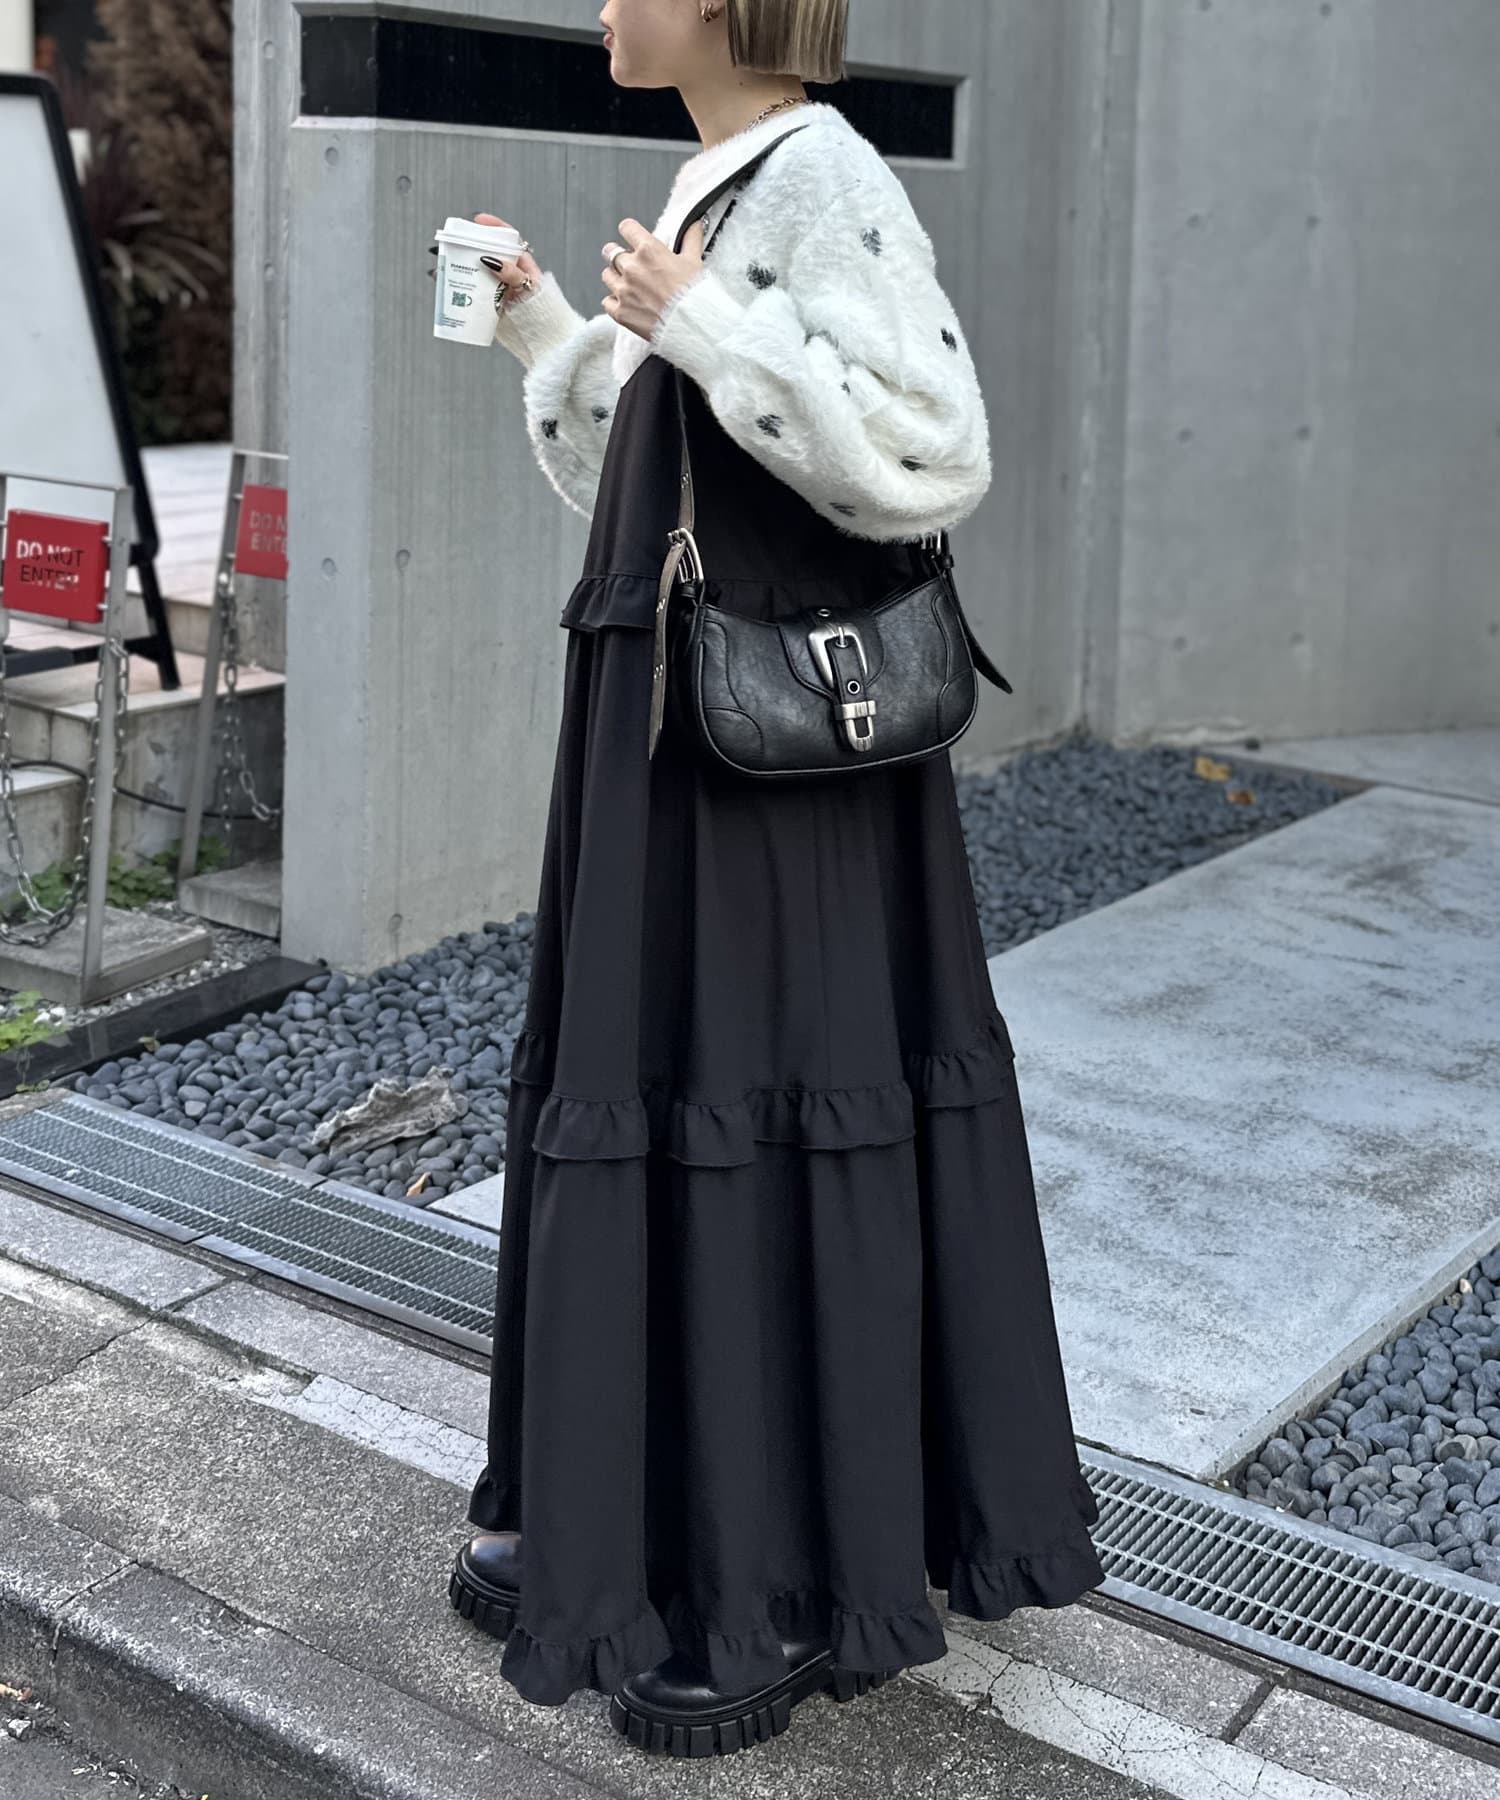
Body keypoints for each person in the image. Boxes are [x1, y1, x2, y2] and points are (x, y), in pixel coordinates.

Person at [446, 0, 1107, 1760]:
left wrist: (708, 322)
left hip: (769, 769)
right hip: (679, 735)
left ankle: (790, 1586)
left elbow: (930, 451)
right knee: (677, 1089)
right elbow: (676, 474)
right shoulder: (722, 176)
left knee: (759, 1092)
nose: (604, 5)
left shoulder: (825, 177)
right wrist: (550, 328)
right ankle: (635, 1529)